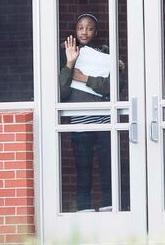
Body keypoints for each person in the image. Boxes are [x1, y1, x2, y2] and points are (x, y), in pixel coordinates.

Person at [59, 13, 112, 212]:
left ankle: (110, 207)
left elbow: (113, 87)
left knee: (108, 167)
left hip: (105, 120)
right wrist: (70, 63)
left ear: (95, 32)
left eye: (89, 28)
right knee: (83, 169)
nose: (84, 31)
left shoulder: (105, 55)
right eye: (80, 27)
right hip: (80, 121)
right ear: (75, 30)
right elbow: (61, 92)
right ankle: (84, 210)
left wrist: (85, 79)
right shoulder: (66, 54)